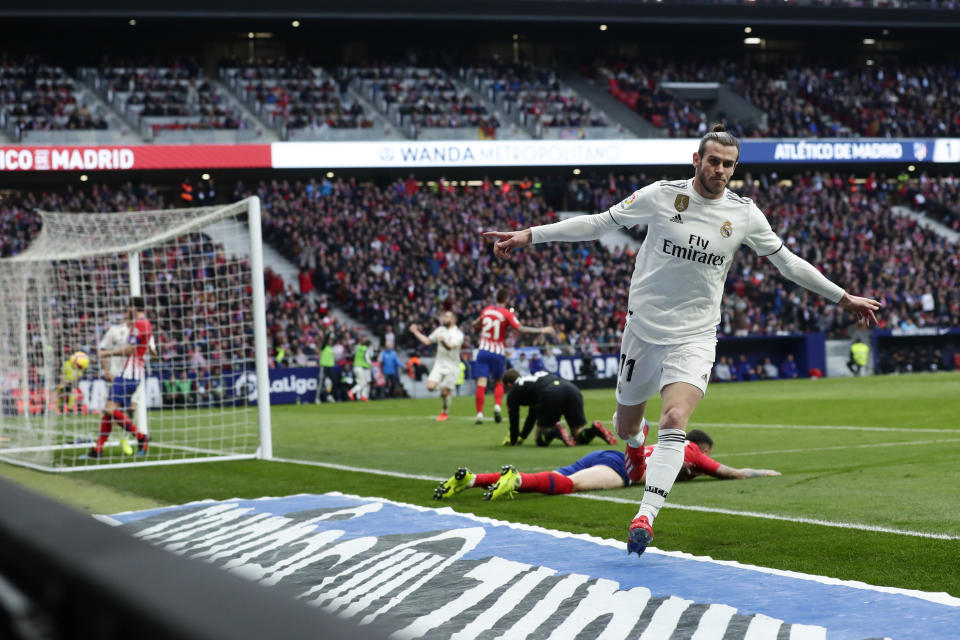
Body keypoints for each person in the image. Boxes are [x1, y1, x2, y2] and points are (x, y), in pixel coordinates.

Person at [483, 124, 881, 557]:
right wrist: (529, 235)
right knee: (625, 426)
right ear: (697, 160)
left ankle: (645, 516)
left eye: (729, 164)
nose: (721, 170)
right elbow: (599, 224)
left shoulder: (744, 214)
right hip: (643, 331)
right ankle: (635, 449)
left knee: (674, 420)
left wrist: (842, 297)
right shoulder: (661, 195)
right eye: (714, 161)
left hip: (695, 334)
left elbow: (788, 263)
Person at [433, 429, 779, 501]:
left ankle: (474, 479)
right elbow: (730, 474)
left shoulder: (671, 444)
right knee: (570, 485)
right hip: (624, 469)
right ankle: (517, 481)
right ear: (701, 446)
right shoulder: (692, 453)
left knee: (560, 475)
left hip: (609, 455)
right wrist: (764, 473)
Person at [82, 297, 152, 459]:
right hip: (132, 373)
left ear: (134, 308)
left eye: (129, 308)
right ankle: (97, 450)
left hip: (129, 374)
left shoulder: (139, 325)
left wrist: (107, 353)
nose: (127, 311)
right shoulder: (145, 324)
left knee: (109, 410)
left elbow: (128, 350)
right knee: (109, 412)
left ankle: (141, 437)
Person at [472, 288, 555, 424]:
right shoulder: (506, 313)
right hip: (497, 352)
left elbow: (477, 322)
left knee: (481, 382)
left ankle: (479, 414)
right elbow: (521, 329)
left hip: (483, 350)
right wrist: (542, 330)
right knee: (498, 381)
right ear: (506, 300)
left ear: (496, 298)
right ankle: (497, 407)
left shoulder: (486, 310)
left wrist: (475, 323)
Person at [501, 368, 618, 447]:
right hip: (571, 388)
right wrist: (522, 436)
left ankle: (555, 431)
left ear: (508, 384)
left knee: (540, 440)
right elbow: (532, 415)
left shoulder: (514, 391)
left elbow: (514, 419)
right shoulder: (532, 381)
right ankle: (594, 430)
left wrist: (513, 440)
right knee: (578, 435)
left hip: (551, 393)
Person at [409, 311, 464, 421]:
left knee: (444, 392)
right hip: (439, 364)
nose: (444, 318)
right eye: (444, 316)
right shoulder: (440, 330)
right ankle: (446, 390)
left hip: (452, 367)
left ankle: (444, 412)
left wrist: (443, 342)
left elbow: (450, 347)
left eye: (447, 317)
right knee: (430, 387)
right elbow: (427, 341)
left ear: (454, 320)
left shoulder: (458, 334)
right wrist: (415, 332)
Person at [347, 336, 372, 402]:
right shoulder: (365, 348)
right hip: (360, 367)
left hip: (355, 367)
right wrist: (370, 364)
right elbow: (367, 358)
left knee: (360, 383)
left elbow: (353, 350)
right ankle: (351, 392)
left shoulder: (357, 347)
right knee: (363, 383)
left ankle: (361, 396)